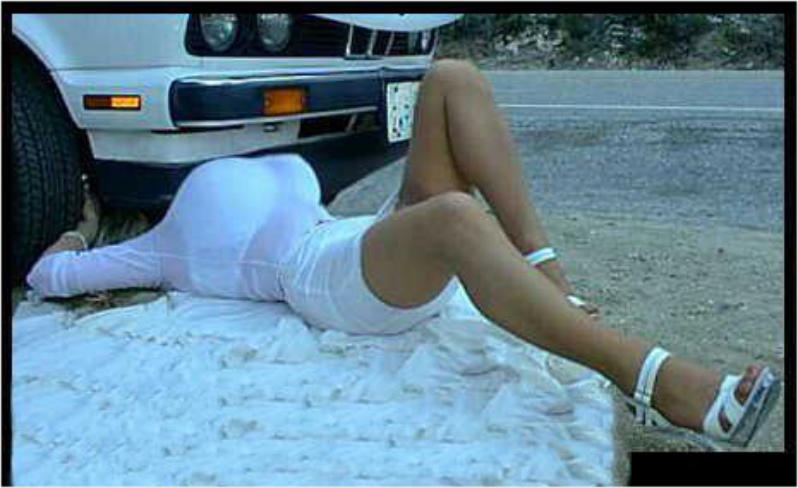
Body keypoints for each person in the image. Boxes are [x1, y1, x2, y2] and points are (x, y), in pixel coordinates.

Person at [26, 60, 779, 449]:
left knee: (452, 79)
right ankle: (652, 378)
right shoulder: (157, 248)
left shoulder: (224, 178)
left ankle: (548, 271)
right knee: (454, 218)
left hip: (352, 238)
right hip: (322, 282)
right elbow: (50, 276)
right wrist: (83, 230)